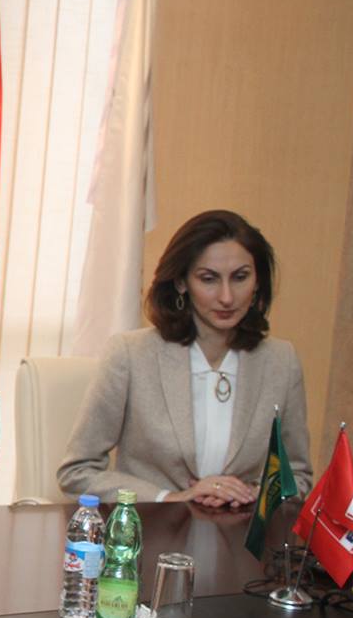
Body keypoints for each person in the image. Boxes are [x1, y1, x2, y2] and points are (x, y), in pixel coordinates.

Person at [57, 209, 312, 505]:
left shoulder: (281, 361)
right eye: (209, 279)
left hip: (239, 531)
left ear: (257, 283)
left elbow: (297, 476)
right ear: (181, 282)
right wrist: (171, 498)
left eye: (240, 277)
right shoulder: (130, 355)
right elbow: (77, 472)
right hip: (152, 527)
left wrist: (253, 496)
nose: (227, 297)